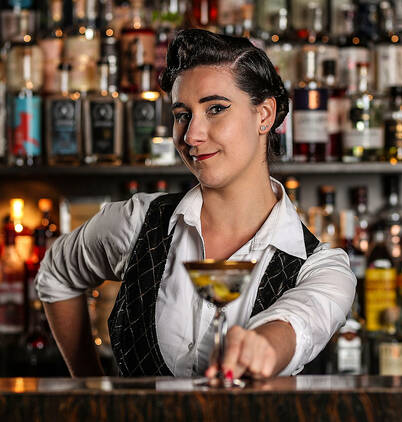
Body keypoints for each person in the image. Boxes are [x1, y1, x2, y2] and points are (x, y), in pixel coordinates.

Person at [35, 29, 356, 380]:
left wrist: (266, 343)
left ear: (264, 115)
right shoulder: (138, 221)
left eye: (215, 108)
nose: (191, 136)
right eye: (181, 114)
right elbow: (56, 273)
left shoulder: (323, 269)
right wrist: (91, 387)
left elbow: (301, 319)